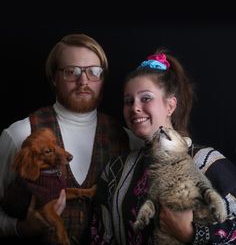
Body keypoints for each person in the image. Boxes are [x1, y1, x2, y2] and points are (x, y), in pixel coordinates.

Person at [91, 49, 236, 244]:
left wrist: (190, 234)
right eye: (128, 101)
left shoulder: (209, 162)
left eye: (146, 98)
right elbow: (99, 234)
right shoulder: (115, 170)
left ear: (170, 105)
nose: (135, 107)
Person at [0, 33, 132, 245]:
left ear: (103, 79)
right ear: (54, 77)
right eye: (71, 72)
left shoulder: (127, 138)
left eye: (94, 72)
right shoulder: (19, 134)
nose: (83, 81)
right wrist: (22, 228)